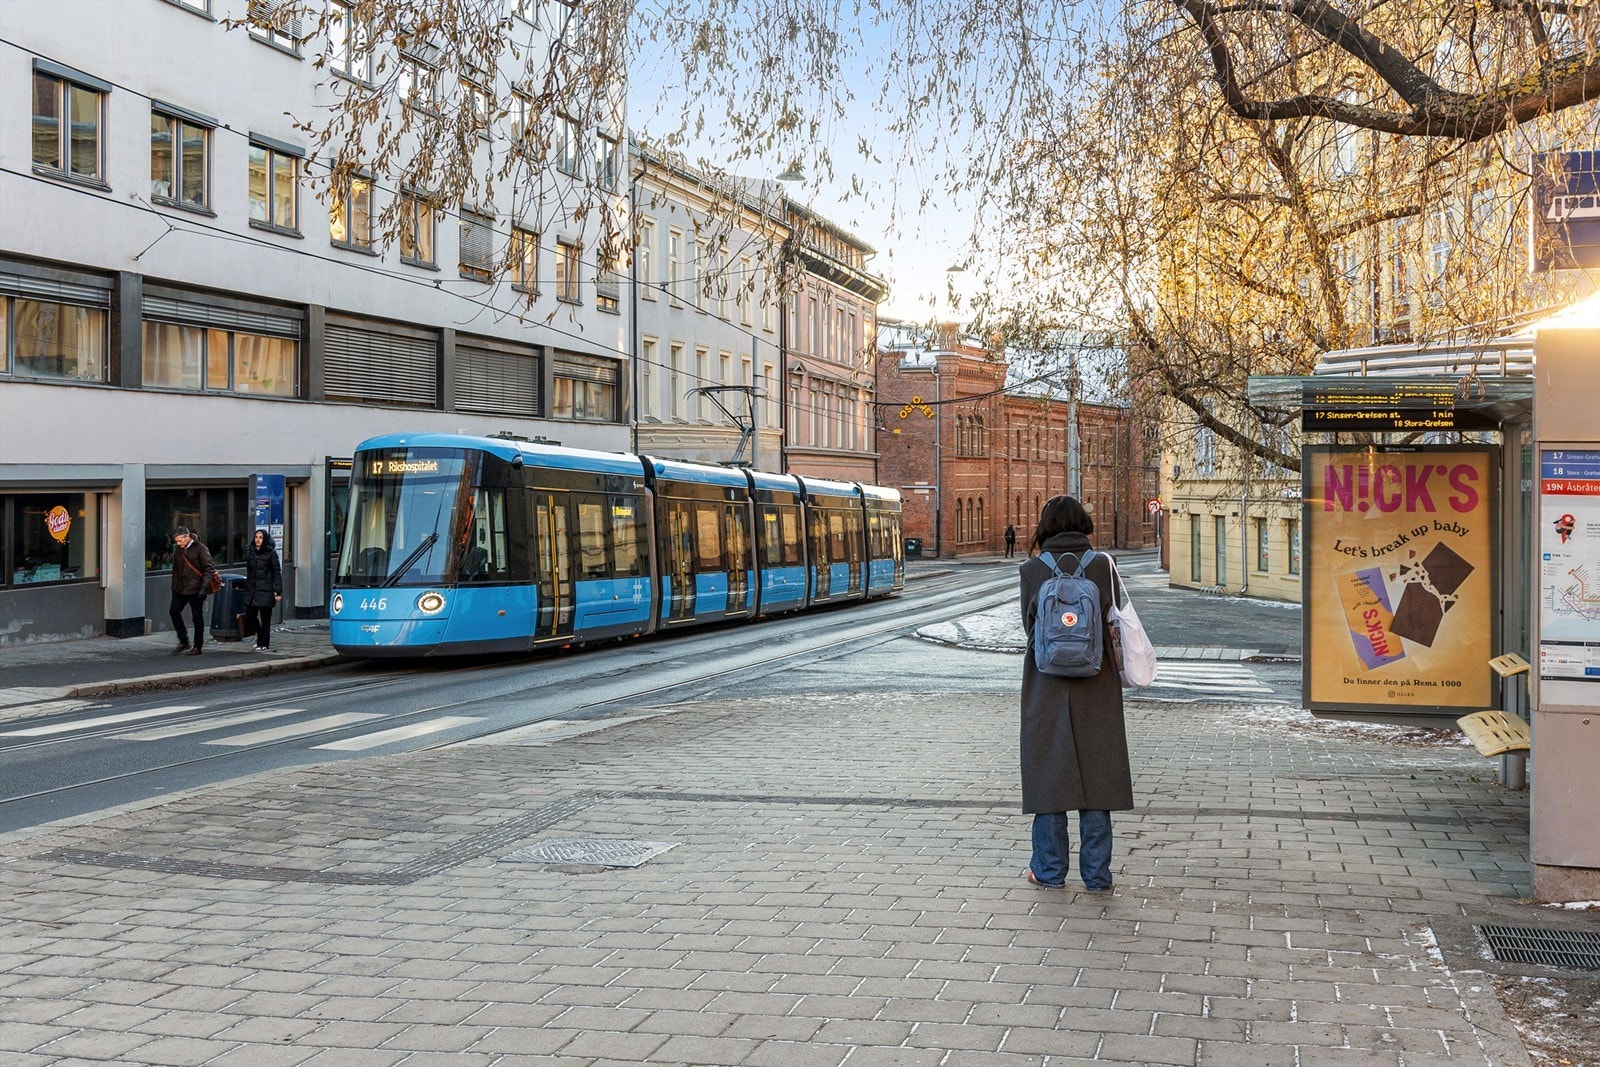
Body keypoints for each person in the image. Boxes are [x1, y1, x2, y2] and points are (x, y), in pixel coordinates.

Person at [1017, 495, 1133, 891]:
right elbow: (1116, 618)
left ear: (1045, 526)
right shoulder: (1103, 565)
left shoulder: (1032, 570)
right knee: (1097, 781)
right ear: (1082, 522)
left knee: (1049, 779)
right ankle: (1097, 877)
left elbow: (1030, 630)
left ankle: (1048, 872)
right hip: (1097, 683)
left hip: (1045, 686)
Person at [169, 525, 219, 656]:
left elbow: (209, 569)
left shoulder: (201, 549)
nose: (178, 544)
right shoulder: (179, 550)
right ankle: (184, 641)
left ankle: (198, 646)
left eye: (180, 541)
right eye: (176, 542)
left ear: (187, 536)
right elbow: (176, 569)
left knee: (197, 617)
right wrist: (174, 587)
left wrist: (203, 588)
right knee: (174, 611)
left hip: (196, 589)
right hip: (180, 588)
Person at [244, 528, 283, 652]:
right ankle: (260, 636)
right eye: (256, 537)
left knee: (265, 619)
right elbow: (249, 572)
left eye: (260, 538)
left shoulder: (271, 553)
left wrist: (278, 590)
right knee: (250, 615)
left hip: (266, 590)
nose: (258, 540)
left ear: (265, 539)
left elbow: (277, 572)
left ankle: (264, 643)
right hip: (253, 589)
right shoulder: (251, 552)